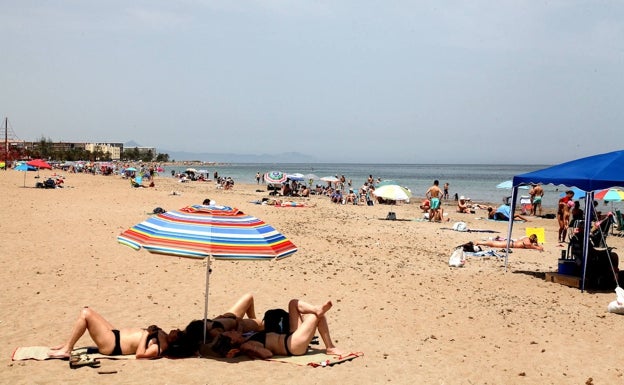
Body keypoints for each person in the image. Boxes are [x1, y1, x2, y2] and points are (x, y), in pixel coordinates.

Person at [207, 299, 343, 359]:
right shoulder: (247, 345)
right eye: (230, 334)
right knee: (317, 316)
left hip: (291, 336)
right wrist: (249, 349)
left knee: (293, 303)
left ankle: (315, 308)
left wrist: (238, 325)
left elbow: (239, 328)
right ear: (234, 345)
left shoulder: (245, 336)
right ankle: (330, 347)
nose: (230, 331)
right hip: (293, 346)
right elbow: (268, 354)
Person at [48, 307, 177, 359]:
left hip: (113, 345)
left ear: (176, 342)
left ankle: (67, 349)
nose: (176, 330)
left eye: (178, 333)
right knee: (89, 312)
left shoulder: (159, 347)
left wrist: (146, 334)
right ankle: (67, 344)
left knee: (86, 313)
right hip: (116, 334)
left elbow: (140, 354)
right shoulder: (164, 335)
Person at [475, 234, 544, 251]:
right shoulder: (529, 244)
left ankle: (480, 242)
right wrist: (537, 243)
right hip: (511, 244)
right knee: (494, 244)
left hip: (511, 241)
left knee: (495, 243)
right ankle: (479, 242)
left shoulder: (525, 238)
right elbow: (540, 248)